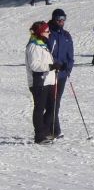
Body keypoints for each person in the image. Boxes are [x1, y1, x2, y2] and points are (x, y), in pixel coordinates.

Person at [26, 21, 61, 144]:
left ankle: (45, 131)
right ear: (41, 32)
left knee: (53, 107)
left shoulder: (42, 44)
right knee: (39, 108)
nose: (49, 33)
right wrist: (50, 66)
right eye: (47, 31)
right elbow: (34, 65)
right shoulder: (33, 46)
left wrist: (56, 65)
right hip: (39, 82)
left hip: (49, 80)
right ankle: (39, 136)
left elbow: (46, 61)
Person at [46, 8, 73, 139]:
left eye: (63, 19)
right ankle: (51, 129)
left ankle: (53, 129)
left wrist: (68, 68)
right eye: (58, 19)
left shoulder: (66, 35)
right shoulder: (48, 33)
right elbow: (46, 53)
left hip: (62, 74)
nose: (61, 22)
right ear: (54, 19)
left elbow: (70, 55)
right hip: (51, 73)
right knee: (51, 102)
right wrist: (55, 64)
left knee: (57, 102)